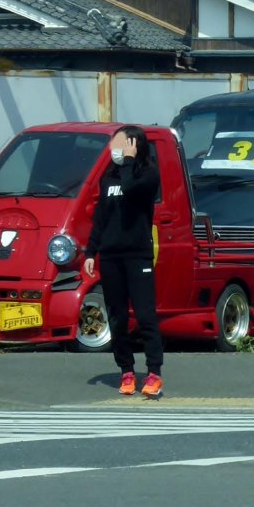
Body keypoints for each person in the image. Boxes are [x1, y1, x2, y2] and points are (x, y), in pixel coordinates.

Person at [83, 125, 164, 398]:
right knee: (117, 318)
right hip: (111, 256)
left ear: (134, 145)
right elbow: (100, 218)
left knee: (144, 315)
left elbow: (130, 190)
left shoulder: (148, 174)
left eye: (121, 144)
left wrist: (129, 161)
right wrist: (90, 252)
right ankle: (126, 371)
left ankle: (154, 372)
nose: (114, 150)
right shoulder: (109, 176)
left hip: (137, 255)